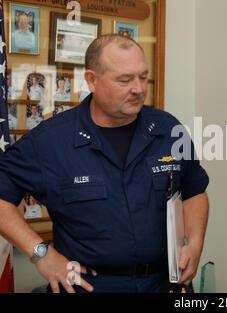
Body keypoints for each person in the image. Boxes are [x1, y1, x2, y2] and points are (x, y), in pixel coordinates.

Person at [0, 34, 209, 293]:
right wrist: (40, 253)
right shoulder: (52, 141)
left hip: (165, 283)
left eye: (143, 77)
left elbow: (194, 190)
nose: (139, 88)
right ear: (92, 80)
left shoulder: (168, 130)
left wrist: (196, 242)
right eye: (125, 79)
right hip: (92, 285)